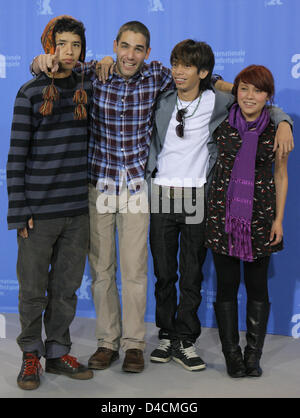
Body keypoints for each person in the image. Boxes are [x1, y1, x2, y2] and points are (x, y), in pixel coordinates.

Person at [31, 22, 294, 374]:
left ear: (148, 54)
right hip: (119, 188)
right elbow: (59, 66)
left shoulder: (184, 86)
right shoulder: (109, 74)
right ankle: (120, 341)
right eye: (124, 47)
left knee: (164, 272)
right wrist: (38, 61)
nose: (130, 55)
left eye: (138, 48)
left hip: (167, 192)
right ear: (115, 46)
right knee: (122, 272)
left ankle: (157, 342)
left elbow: (250, 98)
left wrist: (283, 118)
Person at [145, 41, 293, 372]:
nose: (179, 71)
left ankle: (186, 339)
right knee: (164, 273)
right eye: (175, 64)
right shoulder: (161, 95)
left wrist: (285, 121)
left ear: (204, 72)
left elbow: (264, 107)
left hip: (200, 195)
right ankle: (167, 333)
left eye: (187, 66)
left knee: (193, 273)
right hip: (161, 193)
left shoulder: (220, 102)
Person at [6, 15, 93, 390]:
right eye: (62, 45)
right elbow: (15, 157)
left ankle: (57, 353)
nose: (69, 52)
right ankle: (30, 356)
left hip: (76, 210)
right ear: (49, 47)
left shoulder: (88, 87)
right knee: (31, 290)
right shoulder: (29, 92)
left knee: (66, 289)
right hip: (38, 214)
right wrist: (19, 210)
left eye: (75, 45)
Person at [205, 65, 289, 378]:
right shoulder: (221, 120)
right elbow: (211, 82)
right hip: (223, 217)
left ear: (269, 96)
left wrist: (279, 219)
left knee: (257, 289)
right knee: (226, 288)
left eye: (258, 90)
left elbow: (280, 175)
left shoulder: (276, 129)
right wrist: (233, 85)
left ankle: (253, 356)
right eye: (244, 89)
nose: (249, 96)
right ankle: (232, 355)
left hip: (261, 218)